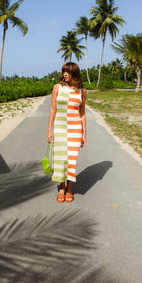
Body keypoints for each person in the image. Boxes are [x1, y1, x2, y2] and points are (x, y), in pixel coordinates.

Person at [47, 62, 87, 203]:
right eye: (64, 71)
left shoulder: (81, 91)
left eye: (68, 72)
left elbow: (82, 113)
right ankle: (62, 188)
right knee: (60, 159)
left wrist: (84, 134)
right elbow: (53, 109)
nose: (65, 74)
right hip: (60, 127)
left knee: (71, 159)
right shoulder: (57, 88)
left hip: (75, 128)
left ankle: (69, 188)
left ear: (74, 73)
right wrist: (49, 130)